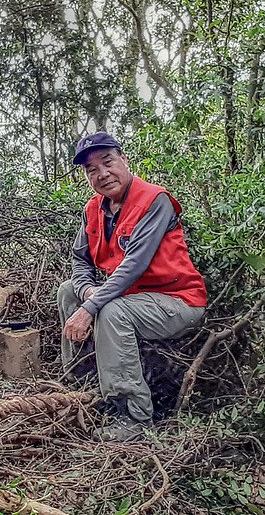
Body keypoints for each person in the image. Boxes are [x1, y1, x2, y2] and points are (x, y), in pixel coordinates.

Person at [57, 131, 208, 442]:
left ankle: (133, 415)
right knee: (68, 290)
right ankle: (84, 385)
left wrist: (91, 308)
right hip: (133, 299)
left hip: (177, 301)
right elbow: (80, 261)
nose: (102, 174)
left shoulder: (155, 201)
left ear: (124, 160)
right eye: (91, 169)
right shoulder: (94, 210)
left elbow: (133, 265)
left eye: (108, 162)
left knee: (111, 312)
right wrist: (86, 293)